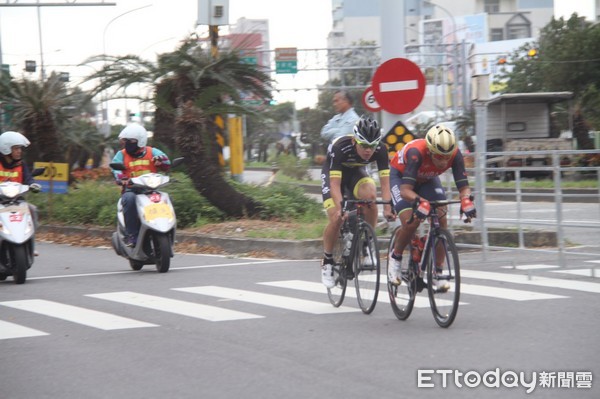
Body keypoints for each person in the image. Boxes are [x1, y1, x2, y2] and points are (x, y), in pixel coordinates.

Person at [387, 124, 476, 291]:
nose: (443, 162)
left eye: (446, 157)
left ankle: (438, 272)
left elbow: (464, 187)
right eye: (439, 157)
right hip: (402, 179)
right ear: (429, 150)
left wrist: (466, 201)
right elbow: (406, 191)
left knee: (441, 217)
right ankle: (395, 258)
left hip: (427, 179)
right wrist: (421, 202)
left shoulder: (455, 154)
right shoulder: (416, 153)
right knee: (410, 222)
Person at [320, 116, 394, 288]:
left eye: (372, 146)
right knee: (336, 217)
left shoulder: (381, 150)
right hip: (333, 175)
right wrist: (341, 208)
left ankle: (367, 245)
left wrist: (388, 207)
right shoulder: (340, 147)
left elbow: (385, 183)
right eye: (364, 146)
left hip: (356, 173)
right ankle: (328, 261)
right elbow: (335, 184)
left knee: (371, 197)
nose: (368, 150)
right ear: (355, 140)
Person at [110, 123, 171, 247]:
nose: (127, 143)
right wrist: (121, 178)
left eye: (131, 140)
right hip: (132, 190)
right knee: (128, 199)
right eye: (125, 141)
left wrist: (161, 162)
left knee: (167, 199)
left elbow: (166, 163)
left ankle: (169, 230)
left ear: (140, 141)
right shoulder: (121, 155)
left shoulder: (152, 151)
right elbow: (115, 168)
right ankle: (131, 235)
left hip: (151, 189)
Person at [0, 131, 42, 249]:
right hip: (0, 200)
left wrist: (33, 184)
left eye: (20, 148)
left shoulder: (21, 165)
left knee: (33, 210)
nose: (19, 151)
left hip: (17, 200)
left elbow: (28, 178)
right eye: (16, 148)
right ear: (6, 149)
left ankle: (31, 245)